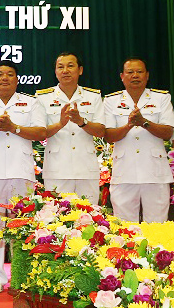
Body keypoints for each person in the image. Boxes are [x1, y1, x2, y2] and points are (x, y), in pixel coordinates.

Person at [0, 60, 46, 293]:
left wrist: (14, 128)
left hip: (21, 172)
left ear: (17, 79)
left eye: (10, 74)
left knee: (22, 225)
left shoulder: (31, 103)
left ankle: (22, 275)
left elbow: (41, 132)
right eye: (0, 74)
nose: (4, 78)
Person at [103, 58, 174, 223]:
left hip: (155, 173)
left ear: (147, 75)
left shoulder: (161, 98)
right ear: (122, 76)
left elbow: (168, 132)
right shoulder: (111, 101)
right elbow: (109, 136)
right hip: (124, 173)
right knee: (124, 227)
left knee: (157, 226)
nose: (135, 75)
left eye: (139, 72)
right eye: (130, 72)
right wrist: (129, 125)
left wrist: (144, 123)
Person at [37, 53, 106, 202]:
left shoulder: (93, 96)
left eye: (70, 66)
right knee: (55, 214)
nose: (65, 71)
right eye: (60, 67)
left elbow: (101, 131)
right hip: (57, 170)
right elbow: (39, 133)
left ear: (80, 70)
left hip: (86, 169)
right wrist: (60, 124)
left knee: (90, 213)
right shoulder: (43, 98)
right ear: (55, 72)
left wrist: (81, 121)